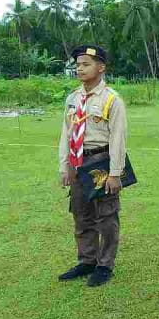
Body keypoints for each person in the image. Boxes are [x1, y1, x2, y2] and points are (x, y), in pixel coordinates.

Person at [57, 45, 127, 287]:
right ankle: (87, 260)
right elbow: (66, 133)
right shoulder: (73, 99)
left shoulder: (111, 100)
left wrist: (115, 174)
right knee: (81, 213)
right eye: (78, 64)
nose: (80, 68)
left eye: (85, 64)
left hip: (101, 161)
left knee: (106, 216)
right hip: (78, 161)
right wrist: (65, 166)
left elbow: (118, 139)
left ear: (101, 67)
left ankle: (105, 265)